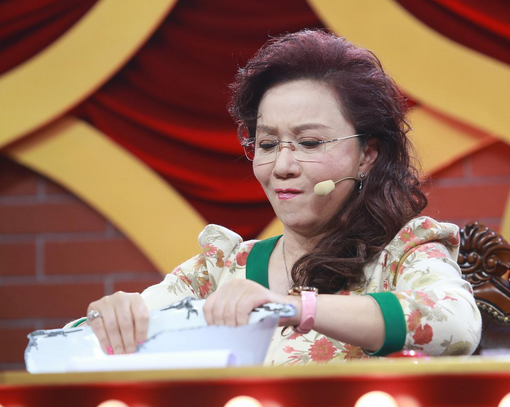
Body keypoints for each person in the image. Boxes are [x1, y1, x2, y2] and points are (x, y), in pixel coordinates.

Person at [69, 29, 481, 364]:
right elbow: (69, 346)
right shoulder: (220, 268)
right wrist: (111, 318)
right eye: (267, 145)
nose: (282, 166)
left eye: (309, 143)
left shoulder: (406, 251)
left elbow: (456, 325)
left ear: (367, 155)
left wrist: (294, 307)